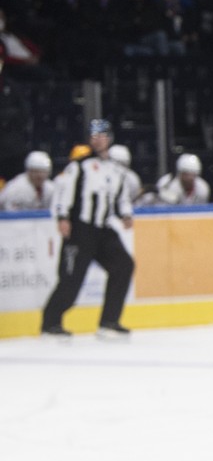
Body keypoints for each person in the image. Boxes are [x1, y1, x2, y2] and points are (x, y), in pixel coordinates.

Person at [43, 119, 135, 340]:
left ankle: (109, 321)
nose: (98, 139)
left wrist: (126, 214)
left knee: (124, 265)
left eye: (102, 135)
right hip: (80, 230)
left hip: (103, 230)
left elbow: (121, 197)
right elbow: (63, 193)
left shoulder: (116, 170)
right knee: (71, 279)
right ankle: (51, 323)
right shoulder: (79, 166)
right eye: (94, 135)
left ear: (109, 139)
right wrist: (63, 217)